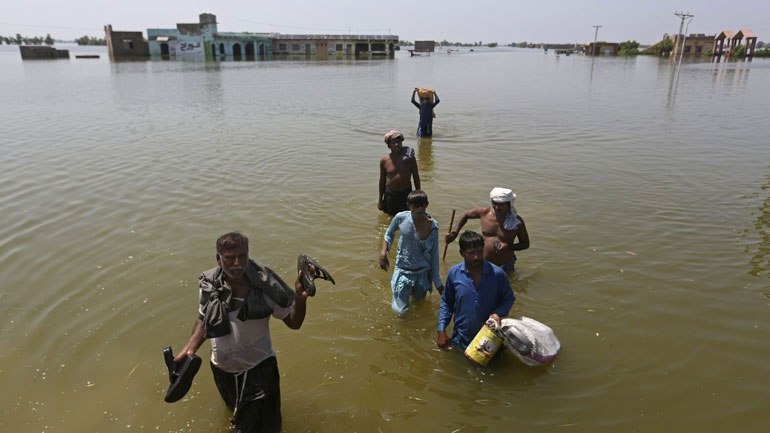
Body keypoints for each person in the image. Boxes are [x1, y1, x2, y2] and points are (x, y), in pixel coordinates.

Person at [173, 232, 309, 433]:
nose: (237, 263)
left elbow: (294, 322)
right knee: (235, 413)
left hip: (258, 370)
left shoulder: (265, 287)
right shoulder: (210, 285)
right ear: (219, 259)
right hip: (222, 369)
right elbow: (203, 318)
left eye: (242, 256)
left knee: (263, 427)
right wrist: (189, 349)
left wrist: (300, 297)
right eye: (230, 258)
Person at [437, 230, 515, 350]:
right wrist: (441, 330)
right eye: (471, 253)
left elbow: (508, 298)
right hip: (461, 339)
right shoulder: (454, 273)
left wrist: (497, 313)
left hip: (490, 338)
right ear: (461, 253)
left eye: (479, 251)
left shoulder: (497, 274)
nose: (476, 257)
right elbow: (447, 303)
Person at [379, 190, 444, 315]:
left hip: (422, 273)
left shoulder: (433, 226)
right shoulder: (401, 218)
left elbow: (434, 255)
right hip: (404, 271)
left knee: (419, 307)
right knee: (400, 312)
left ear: (427, 205)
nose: (419, 209)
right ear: (408, 205)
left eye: (422, 205)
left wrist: (438, 283)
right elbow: (389, 233)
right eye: (415, 205)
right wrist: (383, 253)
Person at [445, 187, 530, 272]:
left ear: (509, 204)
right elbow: (465, 214)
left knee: (507, 283)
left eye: (501, 204)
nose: (496, 207)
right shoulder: (485, 213)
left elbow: (525, 244)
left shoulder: (516, 222)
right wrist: (455, 232)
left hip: (505, 265)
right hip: (483, 263)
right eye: (494, 203)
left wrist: (509, 246)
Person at [378, 130, 420, 216]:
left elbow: (415, 176)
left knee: (407, 217)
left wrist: (418, 194)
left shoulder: (409, 158)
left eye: (399, 142)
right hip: (390, 195)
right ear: (389, 145)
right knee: (390, 218)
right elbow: (382, 181)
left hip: (406, 194)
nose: (397, 144)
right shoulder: (384, 160)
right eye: (394, 143)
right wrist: (380, 200)